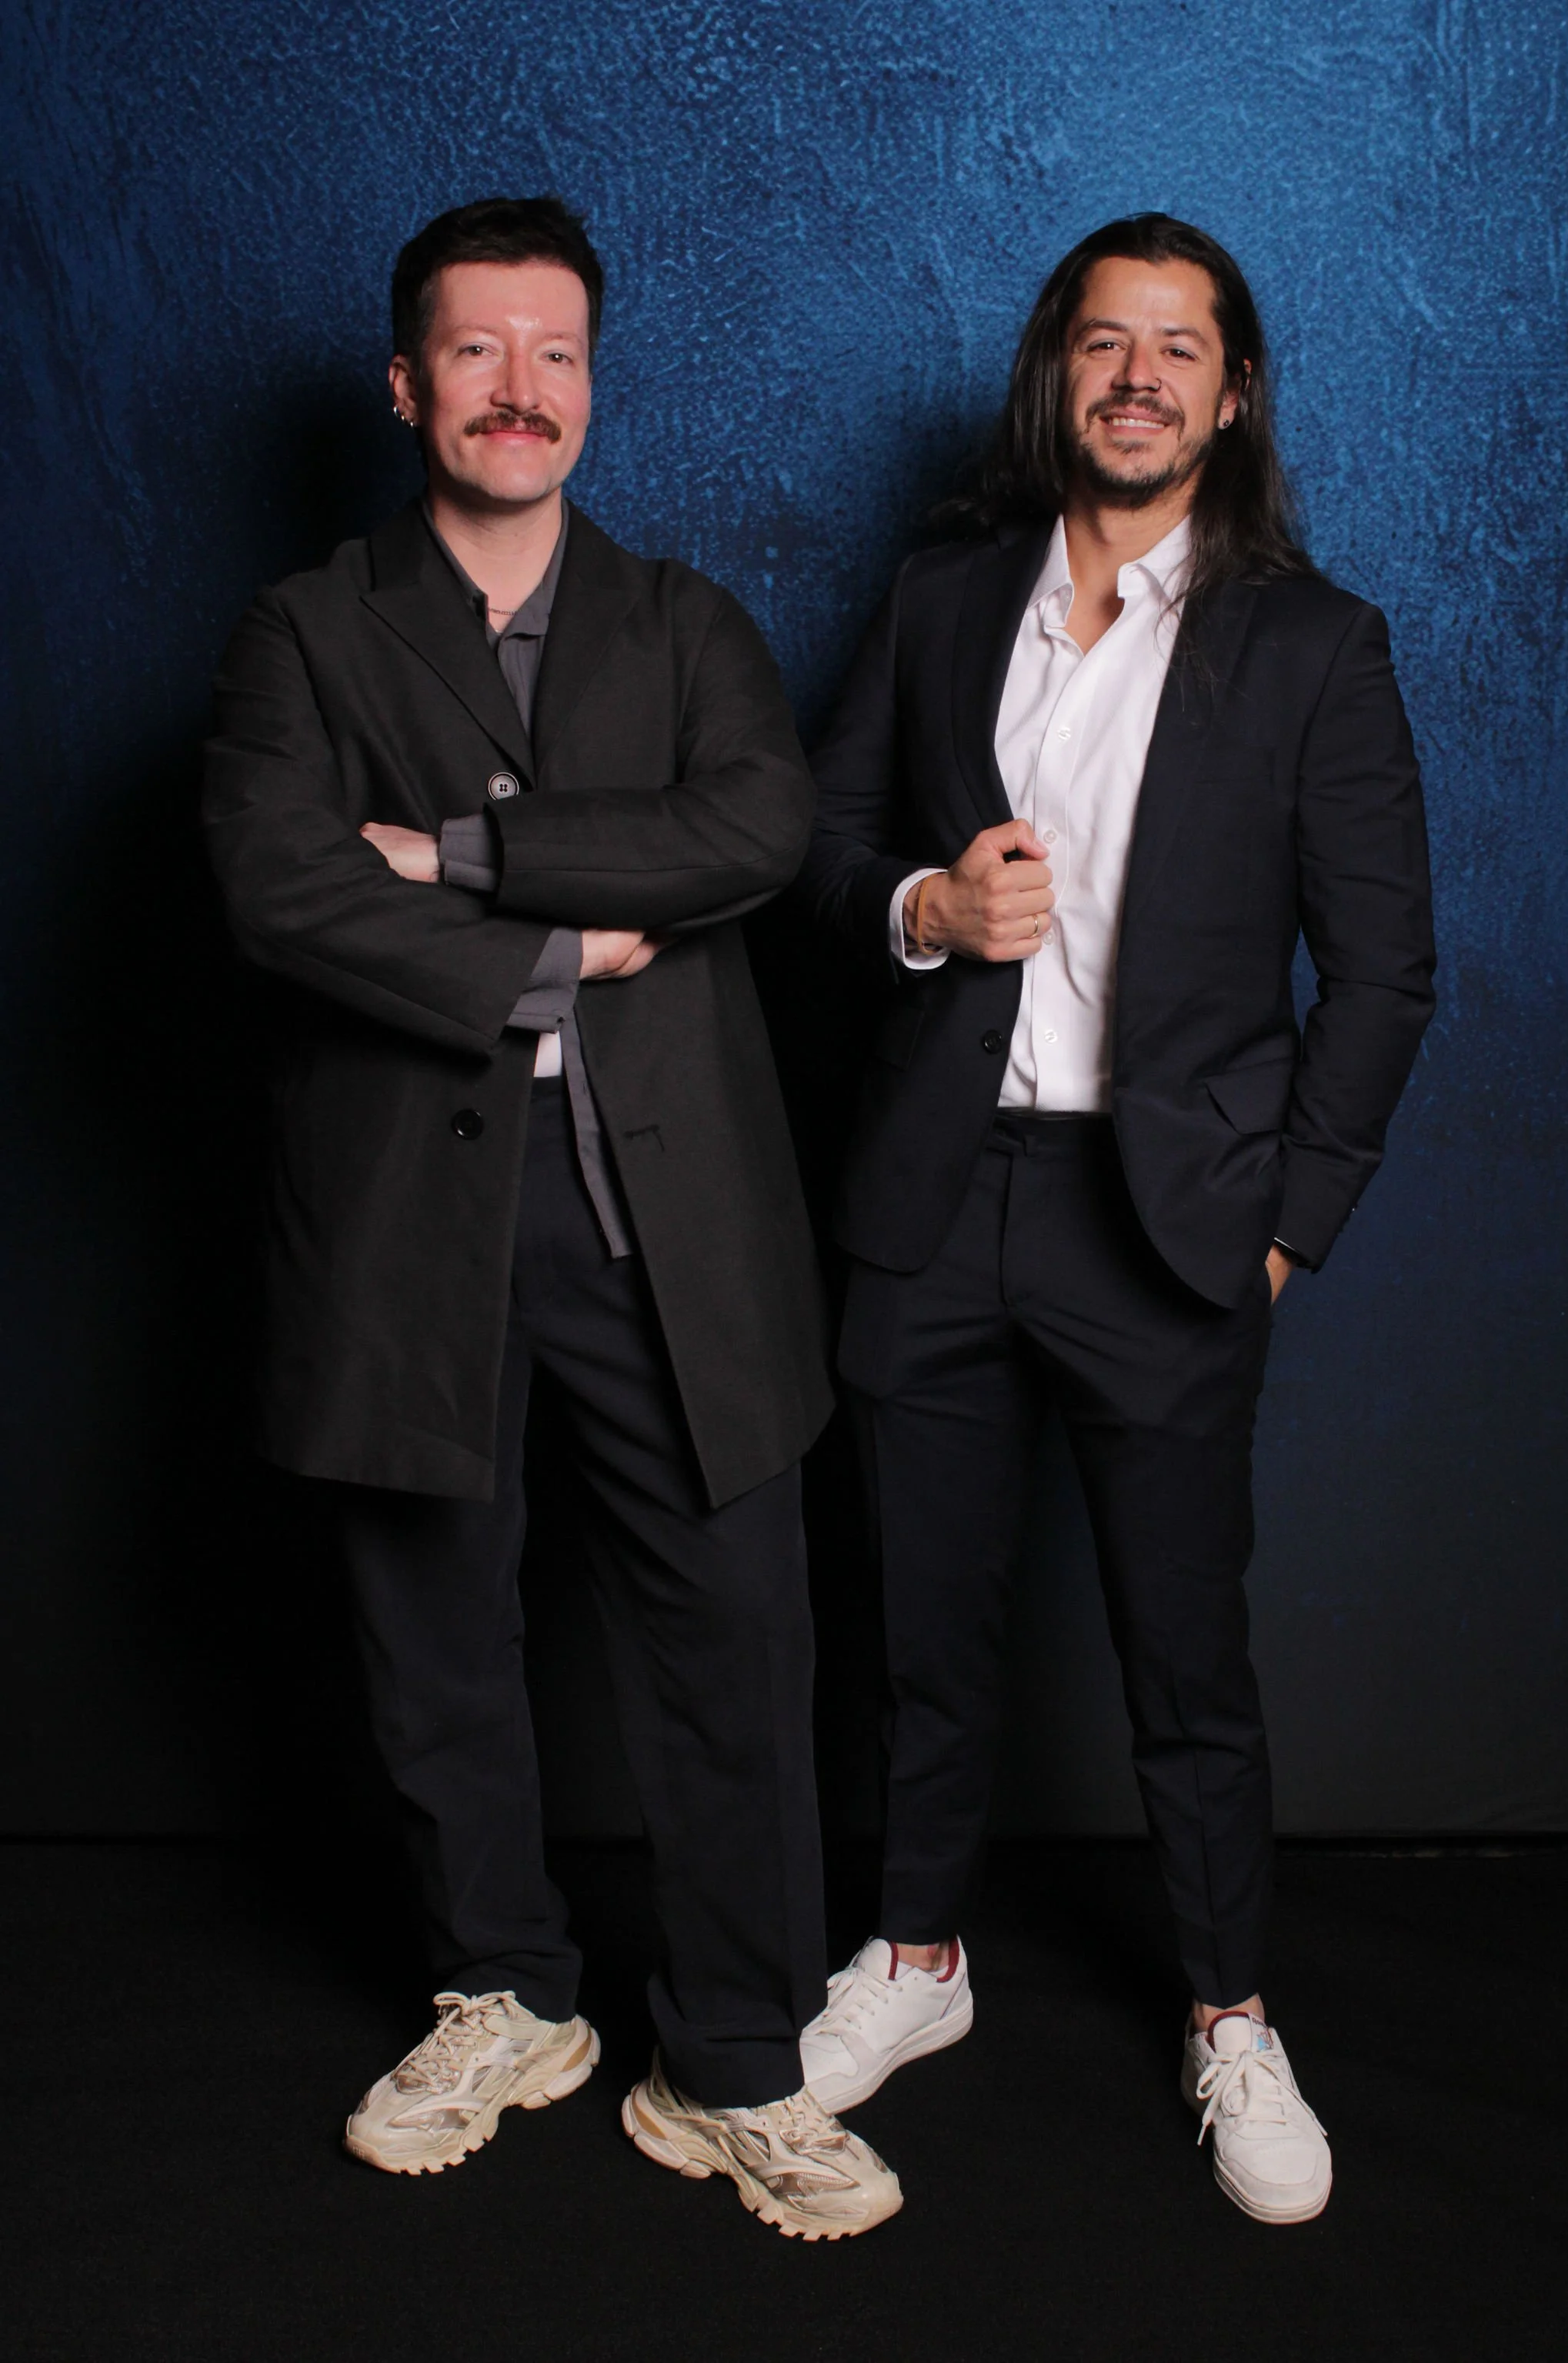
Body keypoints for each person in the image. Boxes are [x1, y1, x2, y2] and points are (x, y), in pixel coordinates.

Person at [202, 195, 900, 2241]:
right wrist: (571, 944)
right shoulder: (303, 631)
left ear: (594, 385)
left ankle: (739, 2064)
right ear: (408, 383)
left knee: (738, 1648)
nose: (522, 390)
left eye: (558, 353)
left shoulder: (686, 625)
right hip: (408, 1236)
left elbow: (754, 826)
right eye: (480, 352)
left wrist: (472, 851)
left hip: (674, 1233)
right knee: (437, 1641)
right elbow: (278, 883)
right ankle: (504, 1994)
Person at [792, 213, 1435, 2225]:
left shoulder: (1313, 645)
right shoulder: (938, 593)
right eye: (1104, 341)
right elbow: (817, 843)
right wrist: (921, 908)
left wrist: (1285, 1229)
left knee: (1187, 1662)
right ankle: (916, 1962)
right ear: (1054, 377)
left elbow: (1390, 973)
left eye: (1181, 346)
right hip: (931, 1200)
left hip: (1167, 1230)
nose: (1139, 374)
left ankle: (1230, 2010)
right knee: (916, 1628)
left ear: (1231, 395)